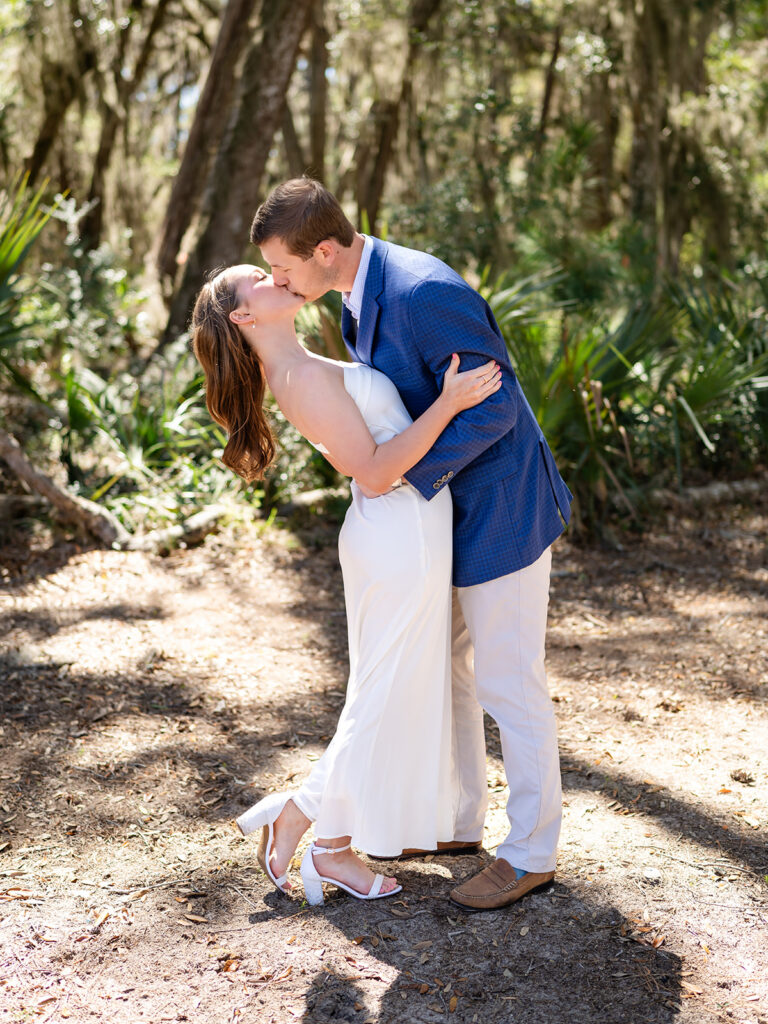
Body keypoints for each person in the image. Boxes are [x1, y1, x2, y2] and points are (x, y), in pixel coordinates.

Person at [250, 178, 573, 911]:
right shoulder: (352, 297)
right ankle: (459, 824)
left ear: (325, 250)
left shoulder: (424, 290)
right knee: (453, 670)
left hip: (501, 508)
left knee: (507, 679)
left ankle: (531, 854)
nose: (280, 282)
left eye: (285, 268)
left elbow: (492, 406)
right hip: (442, 515)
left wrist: (397, 477)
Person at [191, 264, 501, 904]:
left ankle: (310, 821)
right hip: (398, 534)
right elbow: (379, 472)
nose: (276, 276)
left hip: (402, 532)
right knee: (384, 692)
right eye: (259, 277)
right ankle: (322, 839)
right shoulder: (300, 378)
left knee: (387, 688)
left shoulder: (304, 365)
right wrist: (449, 402)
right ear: (245, 317)